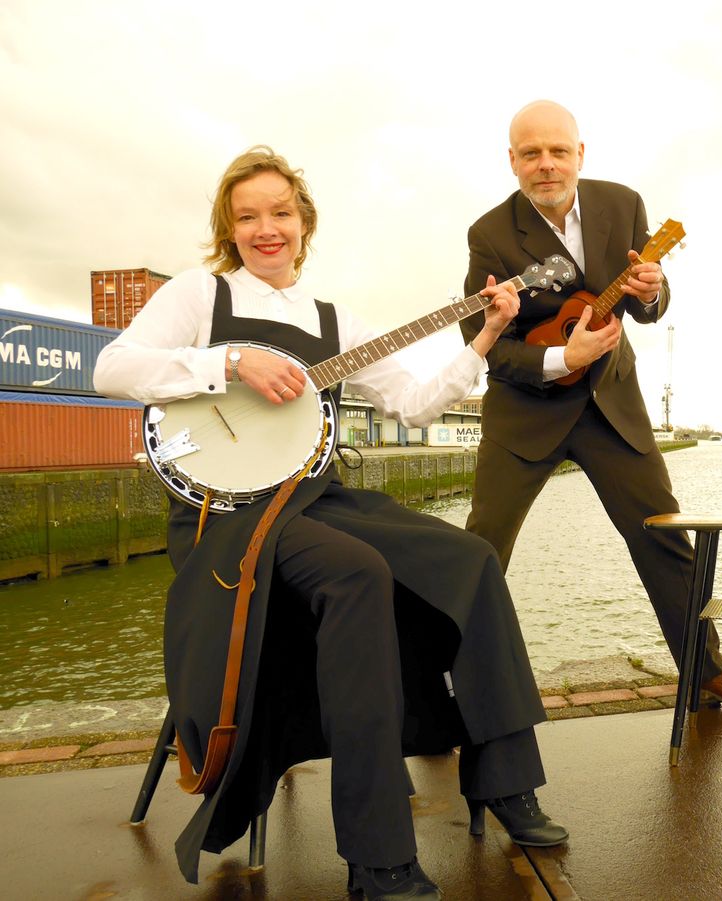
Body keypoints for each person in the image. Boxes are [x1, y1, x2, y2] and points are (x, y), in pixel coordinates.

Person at [94, 146, 566, 901]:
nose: (265, 227)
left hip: (318, 497)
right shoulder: (199, 295)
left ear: (303, 222)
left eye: (279, 212)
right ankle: (378, 857)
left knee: (471, 557)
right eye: (246, 216)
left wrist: (482, 337)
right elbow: (112, 368)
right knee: (358, 572)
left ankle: (506, 781)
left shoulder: (332, 320)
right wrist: (231, 363)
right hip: (231, 519)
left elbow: (410, 403)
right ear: (230, 226)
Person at [459, 100, 722, 713]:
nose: (545, 165)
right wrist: (560, 360)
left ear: (580, 154)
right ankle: (444, 693)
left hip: (611, 408)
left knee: (665, 540)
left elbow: (648, 302)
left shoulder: (623, 206)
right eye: (530, 154)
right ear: (513, 162)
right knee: (480, 553)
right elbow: (487, 348)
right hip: (525, 412)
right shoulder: (489, 235)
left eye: (557, 151)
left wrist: (654, 292)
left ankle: (707, 673)